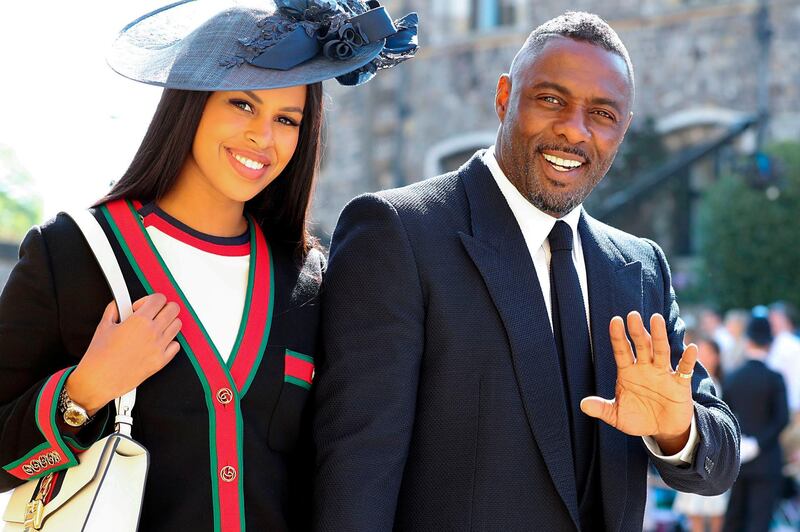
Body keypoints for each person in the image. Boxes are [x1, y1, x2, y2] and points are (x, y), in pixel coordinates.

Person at [314, 11, 739, 531]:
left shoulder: (639, 268)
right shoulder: (400, 233)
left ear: (622, 129)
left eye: (602, 113)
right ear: (503, 98)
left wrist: (676, 429)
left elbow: (718, 463)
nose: (573, 130)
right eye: (551, 100)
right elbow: (355, 478)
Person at [0, 1, 417, 530]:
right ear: (192, 103)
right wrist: (83, 392)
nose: (263, 138)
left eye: (287, 119)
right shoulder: (71, 254)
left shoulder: (309, 281)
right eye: (242, 105)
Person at [723, 308, 789, 532]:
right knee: (759, 523)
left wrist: (743, 442)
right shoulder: (775, 379)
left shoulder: (733, 377)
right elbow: (782, 419)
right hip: (767, 459)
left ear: (748, 340)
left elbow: (725, 417)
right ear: (769, 343)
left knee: (734, 520)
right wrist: (759, 443)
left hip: (738, 461)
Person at [672, 337, 729, 532]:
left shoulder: (721, 384)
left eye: (707, 352)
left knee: (715, 512)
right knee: (693, 511)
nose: (703, 357)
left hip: (714, 453)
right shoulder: (689, 381)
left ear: (717, 357)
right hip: (693, 450)